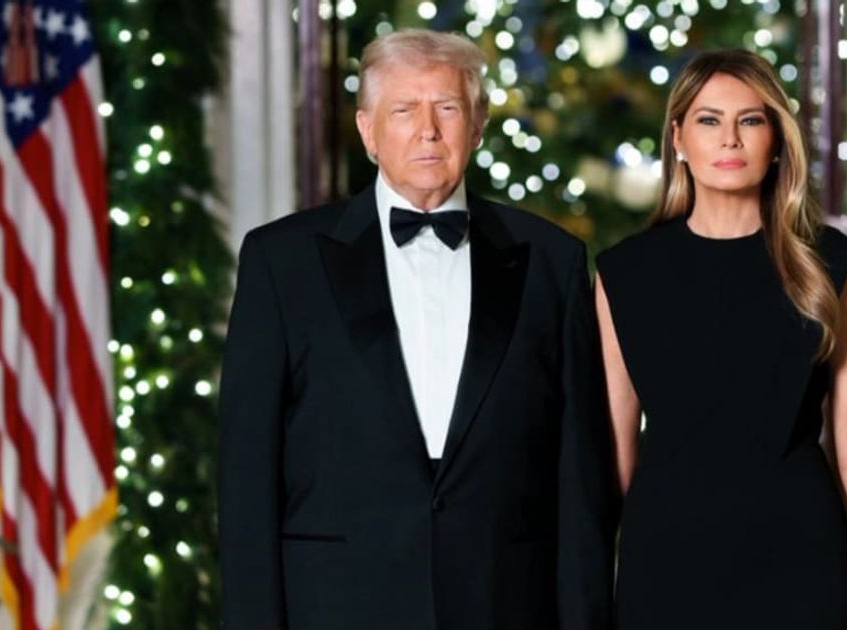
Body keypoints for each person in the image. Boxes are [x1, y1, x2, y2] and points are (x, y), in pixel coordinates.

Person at [218, 29, 618, 630]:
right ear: (368, 131)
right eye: (404, 109)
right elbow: (246, 474)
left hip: (504, 602)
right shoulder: (281, 261)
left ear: (478, 125)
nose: (427, 130)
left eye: (448, 108)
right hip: (334, 606)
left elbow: (579, 477)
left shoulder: (552, 260)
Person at [595, 49, 847, 629]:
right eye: (709, 120)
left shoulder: (829, 264)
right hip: (665, 569)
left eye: (750, 120)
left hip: (801, 564)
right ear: (678, 138)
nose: (729, 139)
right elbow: (613, 457)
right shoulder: (624, 274)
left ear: (777, 140)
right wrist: (588, 591)